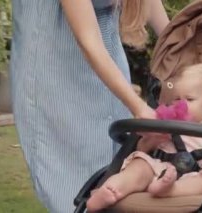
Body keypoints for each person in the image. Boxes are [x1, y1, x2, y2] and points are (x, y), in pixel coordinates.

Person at [10, 0, 169, 212]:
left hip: (110, 81)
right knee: (74, 191)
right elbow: (88, 40)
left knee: (116, 186)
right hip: (59, 83)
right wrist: (138, 108)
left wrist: (177, 45)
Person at [86, 63, 202, 212]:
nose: (181, 104)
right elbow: (141, 148)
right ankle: (112, 189)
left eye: (189, 99)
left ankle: (169, 189)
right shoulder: (166, 125)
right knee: (140, 164)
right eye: (176, 99)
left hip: (194, 176)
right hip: (157, 167)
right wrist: (152, 140)